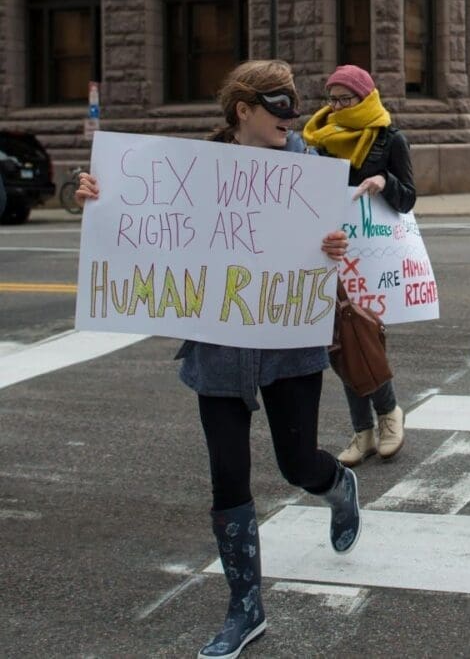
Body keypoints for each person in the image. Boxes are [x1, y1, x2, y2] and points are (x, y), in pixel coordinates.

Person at [77, 60, 361, 659]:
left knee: (296, 464)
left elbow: (334, 244)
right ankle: (245, 608)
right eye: (277, 112)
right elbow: (138, 219)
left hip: (287, 346)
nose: (290, 122)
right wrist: (97, 199)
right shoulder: (188, 171)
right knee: (227, 474)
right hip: (219, 347)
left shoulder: (309, 170)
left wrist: (337, 244)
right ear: (243, 113)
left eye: (292, 112)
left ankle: (336, 485)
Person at [303, 64, 415, 465]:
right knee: (338, 342)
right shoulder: (316, 139)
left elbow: (408, 199)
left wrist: (385, 182)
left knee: (361, 337)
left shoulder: (389, 139)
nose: (335, 107)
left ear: (364, 97)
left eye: (344, 99)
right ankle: (363, 430)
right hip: (326, 251)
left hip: (369, 255)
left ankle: (387, 415)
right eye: (331, 99)